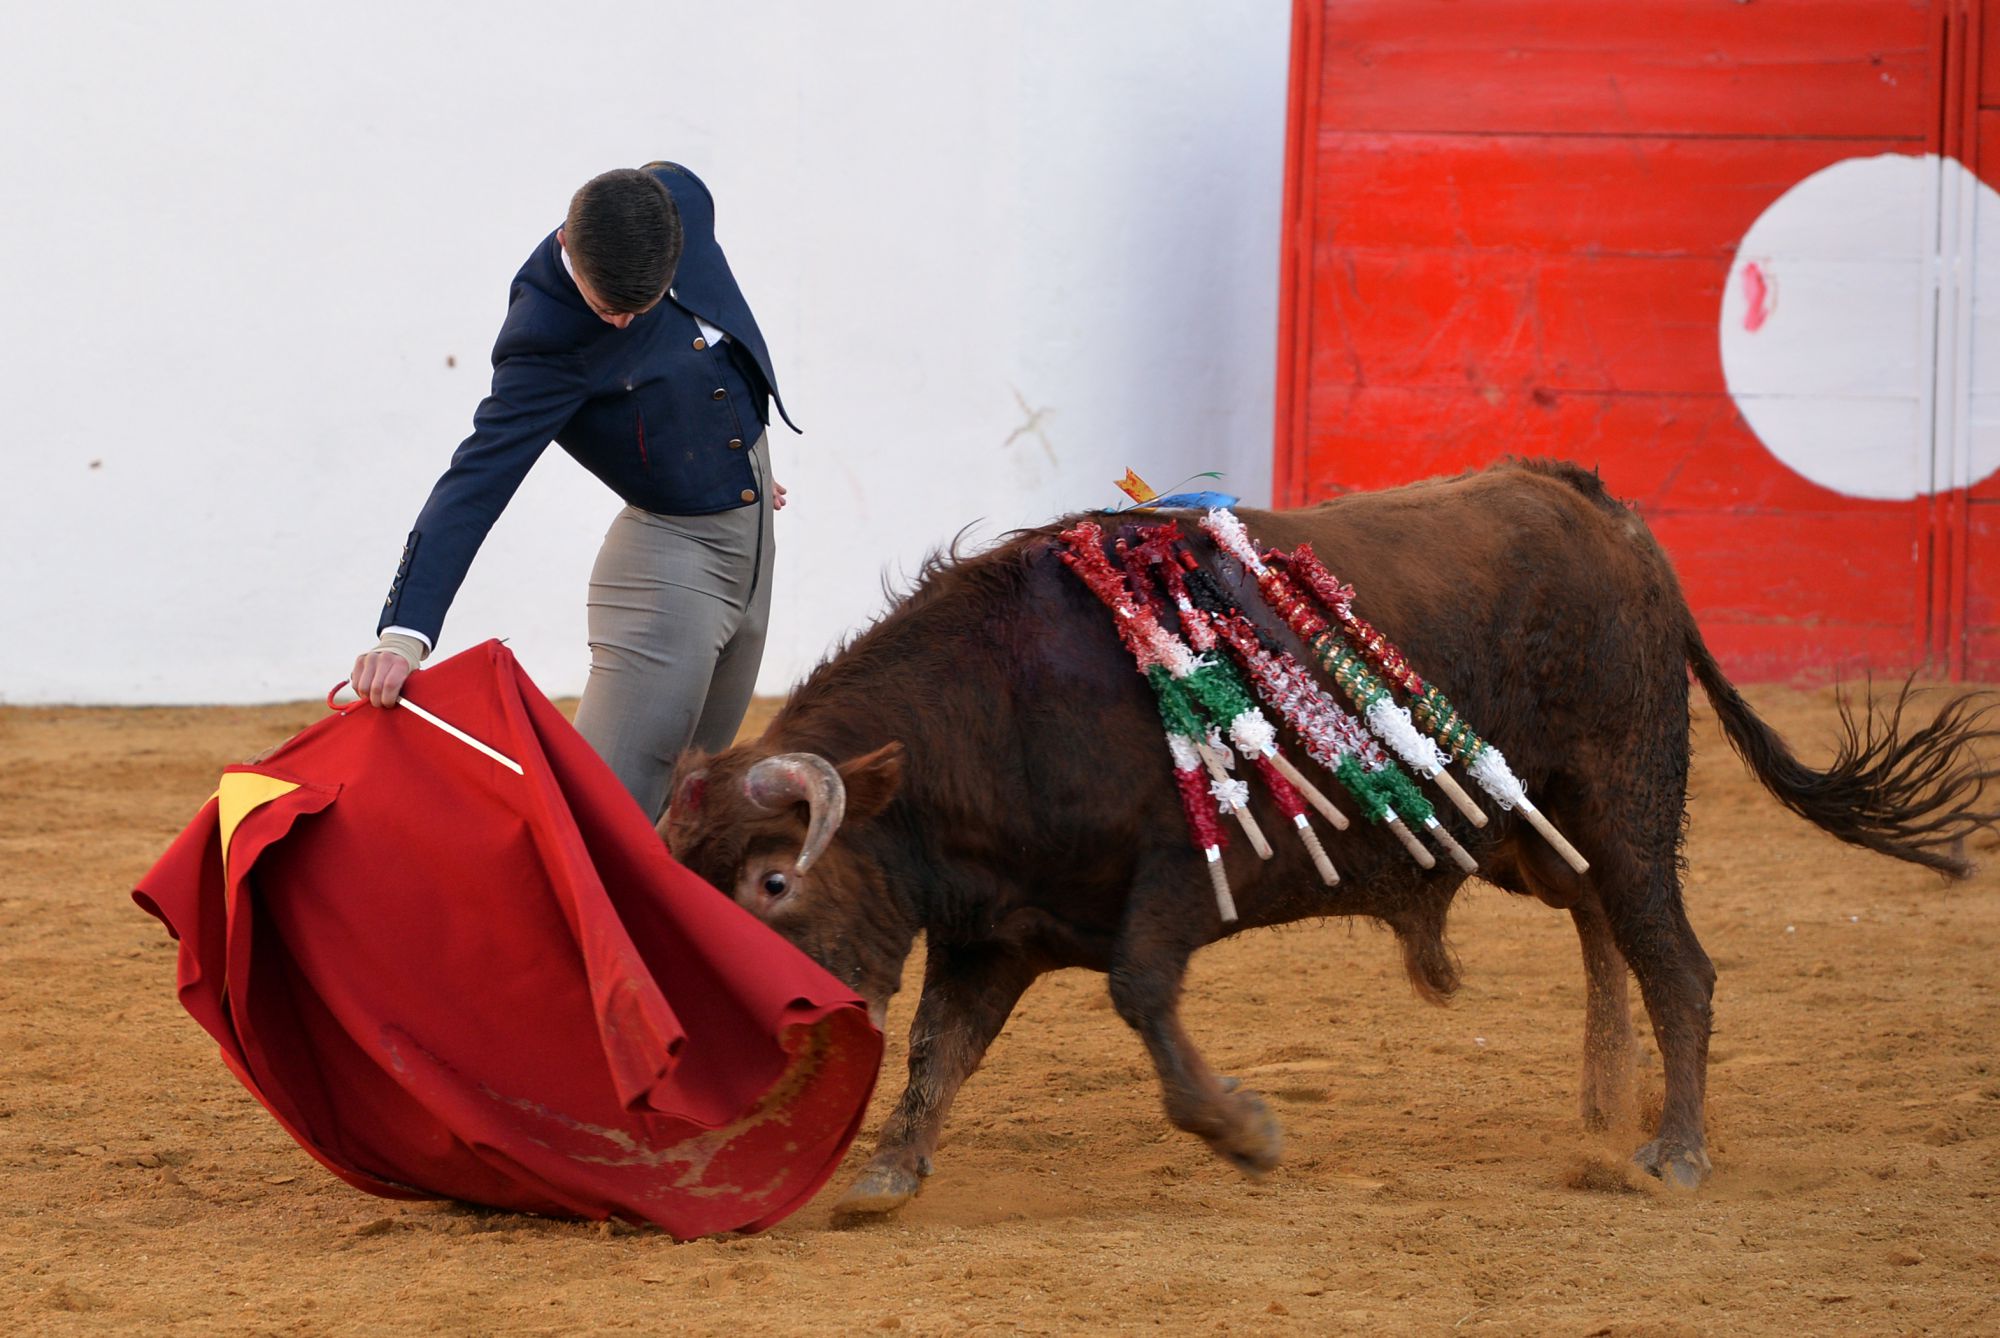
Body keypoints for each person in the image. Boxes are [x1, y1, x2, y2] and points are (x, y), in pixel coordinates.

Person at [350, 162, 796, 821]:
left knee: (691, 812)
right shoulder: (545, 342)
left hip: (753, 551)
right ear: (566, 243)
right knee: (605, 824)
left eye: (633, 309)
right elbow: (475, 483)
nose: (618, 324)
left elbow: (708, 339)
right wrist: (403, 635)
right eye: (604, 306)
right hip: (671, 572)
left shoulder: (683, 200)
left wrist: (739, 450)